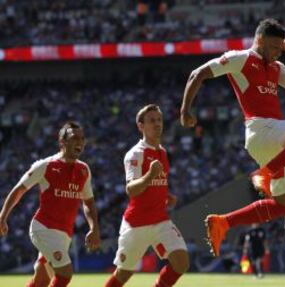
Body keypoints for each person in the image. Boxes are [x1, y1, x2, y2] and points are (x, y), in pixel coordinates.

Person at [180, 18, 285, 256]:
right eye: (274, 47)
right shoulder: (241, 58)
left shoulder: (276, 67)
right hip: (261, 129)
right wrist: (185, 111)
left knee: (283, 205)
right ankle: (265, 174)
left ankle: (223, 222)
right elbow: (196, 75)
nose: (278, 53)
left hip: (272, 141)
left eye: (281, 49)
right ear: (259, 40)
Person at [0, 121, 101, 287]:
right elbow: (19, 190)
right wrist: (2, 216)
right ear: (62, 142)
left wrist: (94, 228)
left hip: (64, 234)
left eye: (82, 138)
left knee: (41, 281)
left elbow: (88, 202)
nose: (80, 142)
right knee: (65, 274)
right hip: (43, 228)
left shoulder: (84, 170)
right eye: (75, 138)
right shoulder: (45, 166)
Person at [104, 104, 189, 287]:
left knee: (181, 262)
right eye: (151, 120)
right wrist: (150, 175)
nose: (157, 124)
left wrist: (167, 195)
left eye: (159, 120)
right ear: (140, 126)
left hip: (161, 220)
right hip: (137, 224)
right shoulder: (135, 154)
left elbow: (156, 185)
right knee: (123, 274)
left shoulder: (163, 152)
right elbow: (131, 190)